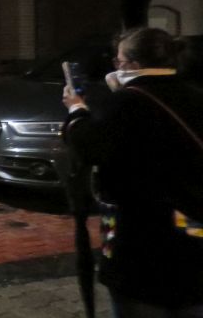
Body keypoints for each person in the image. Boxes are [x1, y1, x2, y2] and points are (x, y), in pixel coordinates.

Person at [62, 27, 203, 317]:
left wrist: (76, 110)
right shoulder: (195, 95)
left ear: (133, 64)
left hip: (140, 240)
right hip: (192, 230)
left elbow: (90, 147)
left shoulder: (125, 102)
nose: (115, 66)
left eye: (119, 60)